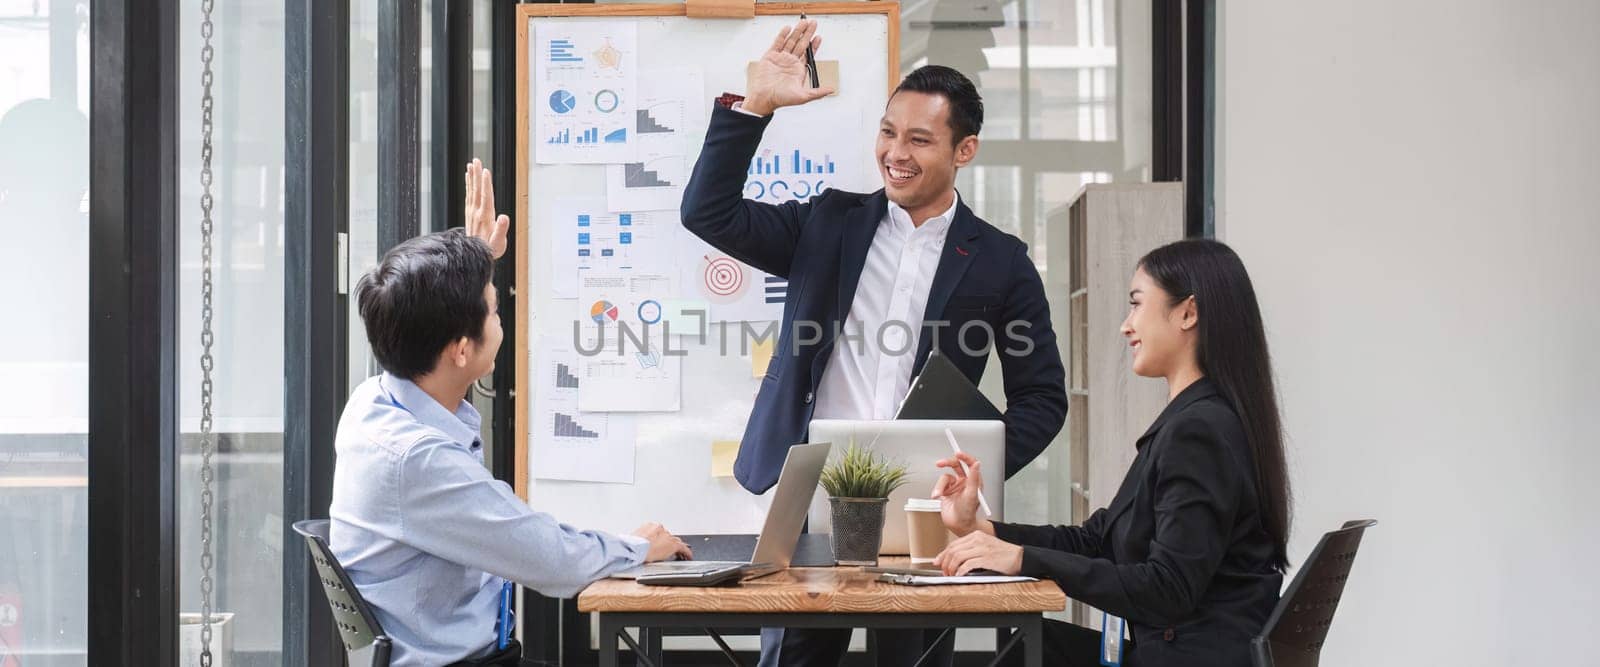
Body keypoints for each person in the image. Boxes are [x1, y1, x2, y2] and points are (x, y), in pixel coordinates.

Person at [679, 18, 1068, 667]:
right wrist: (755, 108)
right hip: (811, 488)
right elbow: (707, 212)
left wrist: (972, 472)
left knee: (912, 657)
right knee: (795, 657)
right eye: (888, 132)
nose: (896, 152)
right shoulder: (828, 223)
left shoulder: (1002, 261)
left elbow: (1042, 398)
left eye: (920, 139)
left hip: (922, 501)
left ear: (963, 151)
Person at [330, 160, 692, 667]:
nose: (501, 320)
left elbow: (427, 310)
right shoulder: (417, 460)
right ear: (460, 350)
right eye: (495, 310)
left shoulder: (374, 400)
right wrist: (636, 547)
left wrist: (477, 260)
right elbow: (550, 560)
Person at [930, 239, 1293, 666]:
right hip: (1173, 650)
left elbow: (1168, 589)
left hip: (1182, 656)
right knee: (1027, 645)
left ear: (1188, 313)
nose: (1126, 325)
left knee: (1023, 649)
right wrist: (983, 529)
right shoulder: (1197, 419)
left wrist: (1021, 559)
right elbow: (1096, 540)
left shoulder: (1199, 431)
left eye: (1137, 305)